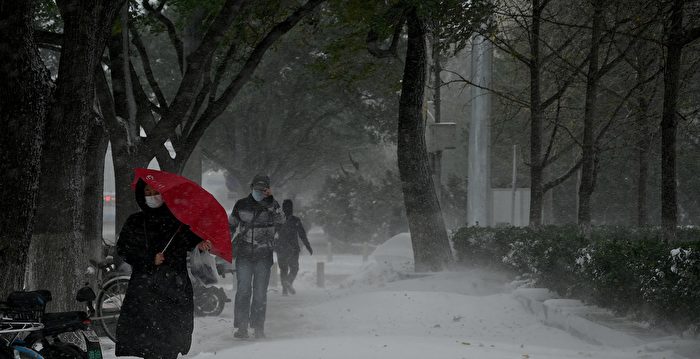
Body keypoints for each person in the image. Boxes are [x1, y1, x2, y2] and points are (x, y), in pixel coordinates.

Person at [115, 180, 211, 359]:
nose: (152, 197)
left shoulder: (178, 220)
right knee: (148, 341)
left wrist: (200, 243)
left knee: (171, 340)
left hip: (174, 287)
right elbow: (124, 249)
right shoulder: (135, 222)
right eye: (148, 193)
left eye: (155, 192)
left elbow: (190, 240)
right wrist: (149, 259)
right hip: (145, 289)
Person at [229, 174, 284, 339]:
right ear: (251, 187)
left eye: (263, 189)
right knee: (244, 290)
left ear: (268, 189)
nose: (259, 191)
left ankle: (258, 326)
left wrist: (272, 201)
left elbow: (281, 220)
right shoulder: (241, 204)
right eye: (257, 188)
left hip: (264, 255)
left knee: (260, 293)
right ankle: (241, 327)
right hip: (244, 254)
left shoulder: (273, 205)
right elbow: (231, 225)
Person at [275, 199, 312, 295]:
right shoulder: (295, 220)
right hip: (293, 249)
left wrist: (271, 246)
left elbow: (271, 234)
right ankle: (289, 282)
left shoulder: (278, 221)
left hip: (281, 248)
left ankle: (284, 290)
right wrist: (308, 246)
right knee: (294, 268)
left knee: (283, 269)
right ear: (292, 208)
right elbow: (302, 234)